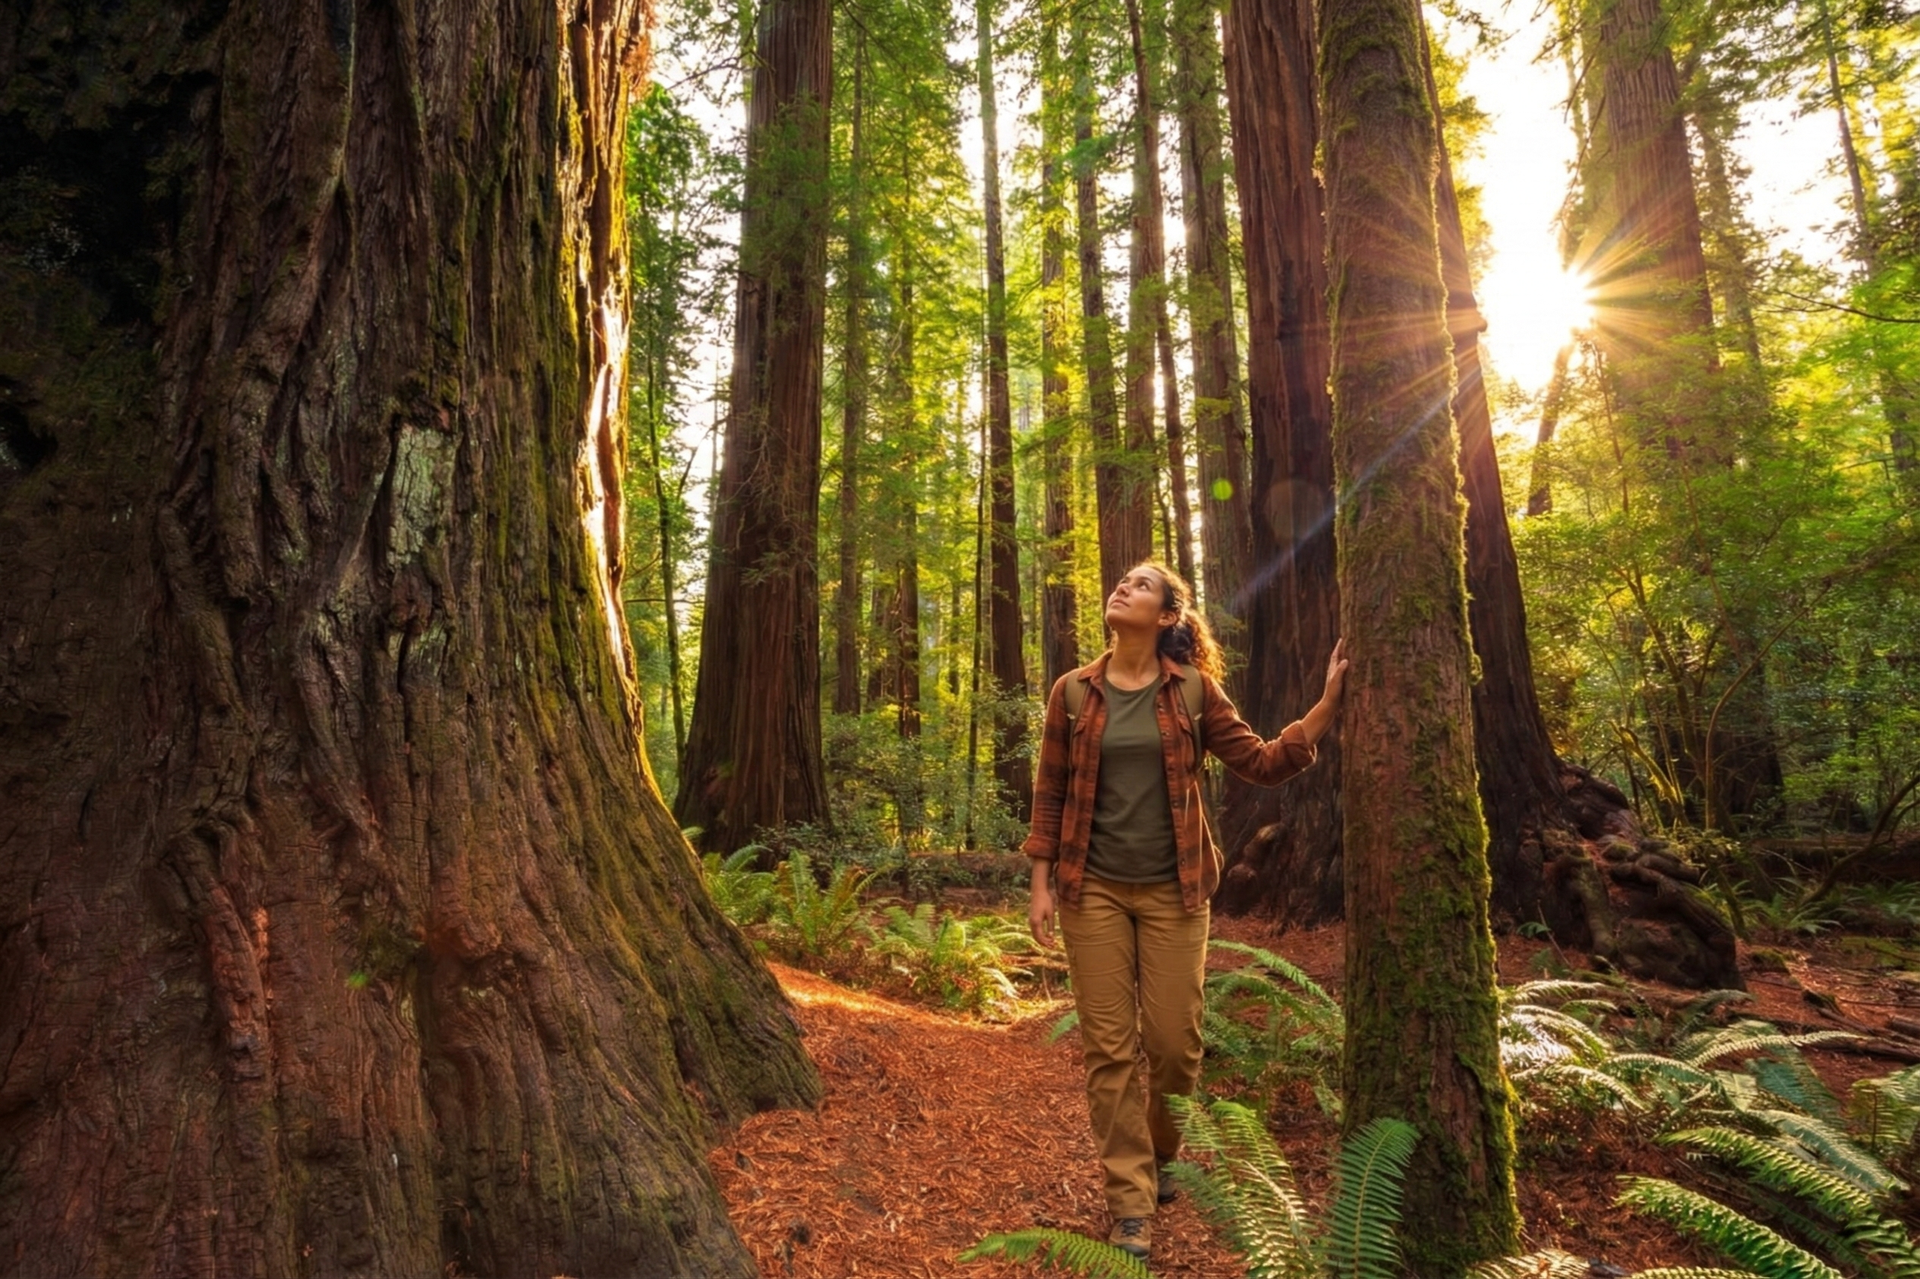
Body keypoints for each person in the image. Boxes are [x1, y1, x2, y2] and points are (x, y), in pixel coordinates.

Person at [1023, 561, 1347, 1263]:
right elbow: (1050, 791)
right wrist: (1040, 883)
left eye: (1141, 585)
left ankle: (1160, 1151)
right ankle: (1130, 1203)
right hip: (1093, 891)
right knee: (1110, 1051)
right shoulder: (1073, 692)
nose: (1122, 587)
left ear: (1167, 616)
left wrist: (1323, 707)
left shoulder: (1194, 691)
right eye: (1122, 581)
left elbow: (1260, 761)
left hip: (1176, 889)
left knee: (1174, 1045)